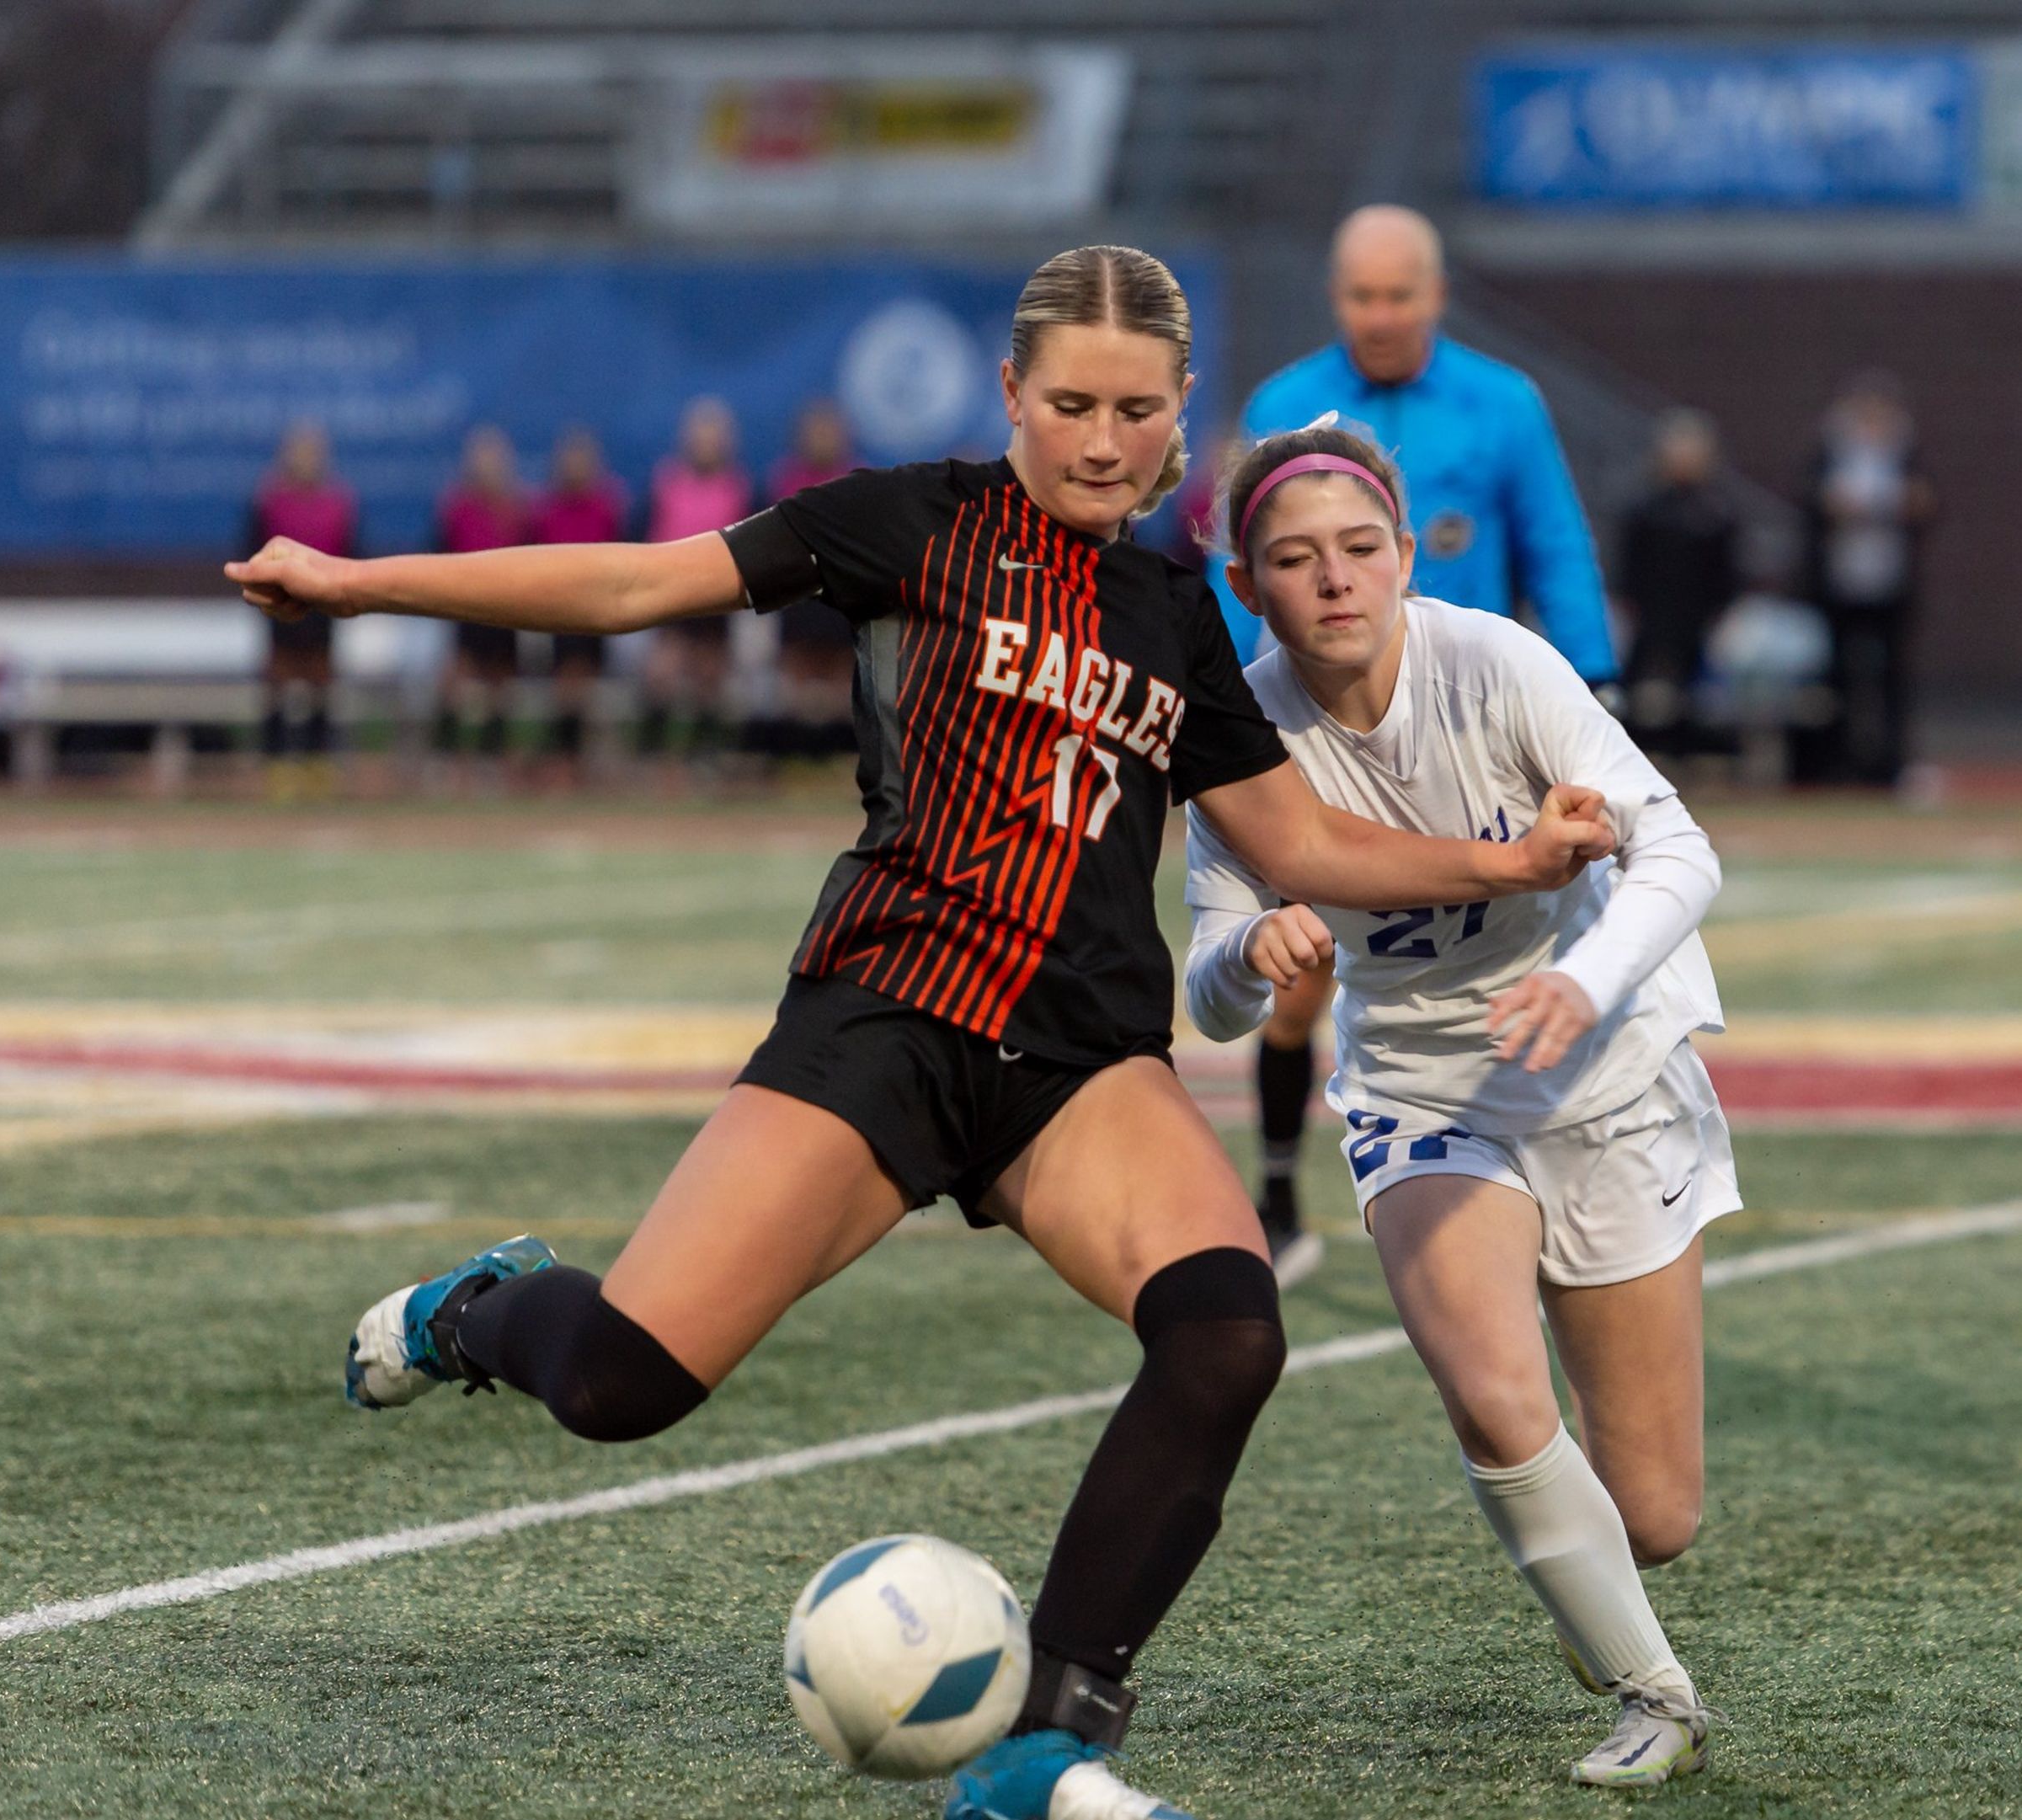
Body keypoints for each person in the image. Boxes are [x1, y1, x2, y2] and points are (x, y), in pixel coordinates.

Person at [228, 245, 1613, 1820]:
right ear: (1013, 394)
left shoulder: (1176, 608)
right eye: (1073, 403)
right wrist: (353, 585)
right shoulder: (912, 520)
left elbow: (1302, 846)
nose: (1104, 439)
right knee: (623, 1382)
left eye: (1139, 410)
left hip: (1082, 1062)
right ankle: (485, 1310)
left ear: (1184, 420)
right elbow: (630, 583)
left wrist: (1514, 859)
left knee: (1228, 1332)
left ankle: (1045, 1741)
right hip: (886, 1018)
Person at [1184, 419, 1732, 1790]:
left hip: (1603, 1078)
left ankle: (1602, 1583)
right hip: (1425, 1091)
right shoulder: (1241, 734)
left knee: (1653, 1515)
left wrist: (1589, 980)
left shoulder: (1497, 662)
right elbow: (1206, 983)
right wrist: (1250, 959)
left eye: (1361, 549)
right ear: (1249, 586)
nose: (1335, 582)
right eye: (1295, 561)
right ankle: (1652, 1692)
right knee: (1496, 1399)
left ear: (1406, 551)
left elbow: (1680, 848)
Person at [1219, 205, 1620, 1286]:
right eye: (1362, 296)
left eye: (1400, 295)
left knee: (1515, 940)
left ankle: (1521, 1163)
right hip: (1318, 738)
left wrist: (1592, 679)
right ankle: (1273, 1186)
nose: (1381, 315)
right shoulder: (1282, 406)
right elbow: (1239, 573)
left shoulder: (1504, 403)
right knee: (1300, 965)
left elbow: (1552, 539)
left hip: (1476, 737)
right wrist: (1220, 721)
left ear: (1434, 294)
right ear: (1336, 298)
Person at [1802, 371, 1936, 789]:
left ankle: (1889, 764)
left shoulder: (1905, 455)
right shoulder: (1830, 453)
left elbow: (1928, 504)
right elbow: (1809, 503)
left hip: (1889, 583)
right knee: (1837, 677)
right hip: (1839, 585)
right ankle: (1838, 763)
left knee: (1891, 677)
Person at [1616, 411, 1741, 761]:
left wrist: (1722, 610)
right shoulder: (1646, 510)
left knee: (1700, 694)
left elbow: (1727, 569)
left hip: (1699, 616)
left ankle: (1698, 756)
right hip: (1653, 613)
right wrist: (1630, 602)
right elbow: (1631, 562)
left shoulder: (1716, 512)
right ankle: (1634, 754)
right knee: (1638, 687)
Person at [246, 423, 356, 803]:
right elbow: (251, 550)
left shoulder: (338, 502)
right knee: (278, 688)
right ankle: (277, 767)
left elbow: (351, 555)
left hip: (323, 610)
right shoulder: (269, 500)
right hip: (280, 609)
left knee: (320, 688)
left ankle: (317, 765)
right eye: (300, 451)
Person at [639, 396, 753, 762]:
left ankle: (707, 759)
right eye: (699, 435)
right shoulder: (666, 483)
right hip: (671, 598)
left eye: (713, 435)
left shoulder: (739, 488)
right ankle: (655, 759)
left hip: (718, 600)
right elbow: (649, 540)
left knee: (710, 683)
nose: (705, 442)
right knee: (661, 678)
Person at [760, 400, 859, 764]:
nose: (822, 439)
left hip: (841, 600)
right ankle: (793, 759)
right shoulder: (783, 480)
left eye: (829, 432)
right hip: (797, 597)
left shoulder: (855, 481)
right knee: (795, 688)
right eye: (815, 432)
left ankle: (844, 758)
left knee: (844, 686)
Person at [433, 425, 534, 775]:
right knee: (455, 685)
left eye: (495, 459)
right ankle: (446, 760)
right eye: (481, 459)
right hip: (464, 610)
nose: (488, 466)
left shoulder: (518, 508)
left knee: (499, 689)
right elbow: (441, 555)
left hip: (506, 611)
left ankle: (494, 760)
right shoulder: (457, 507)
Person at [533, 429, 630, 780]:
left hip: (600, 611)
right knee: (567, 678)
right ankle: (566, 758)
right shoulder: (545, 510)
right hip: (557, 615)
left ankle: (582, 758)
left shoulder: (608, 505)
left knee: (583, 679)